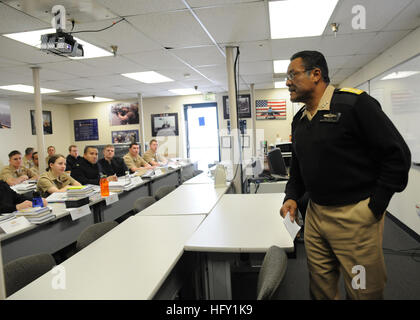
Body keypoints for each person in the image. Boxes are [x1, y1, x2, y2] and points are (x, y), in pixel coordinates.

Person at [279, 50, 411, 300]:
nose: (287, 82)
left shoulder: (353, 104)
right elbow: (297, 169)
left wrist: (375, 206)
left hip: (355, 216)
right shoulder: (299, 121)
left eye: (292, 75)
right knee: (320, 288)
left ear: (316, 74)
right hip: (316, 216)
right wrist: (292, 196)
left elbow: (397, 155)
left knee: (362, 291)